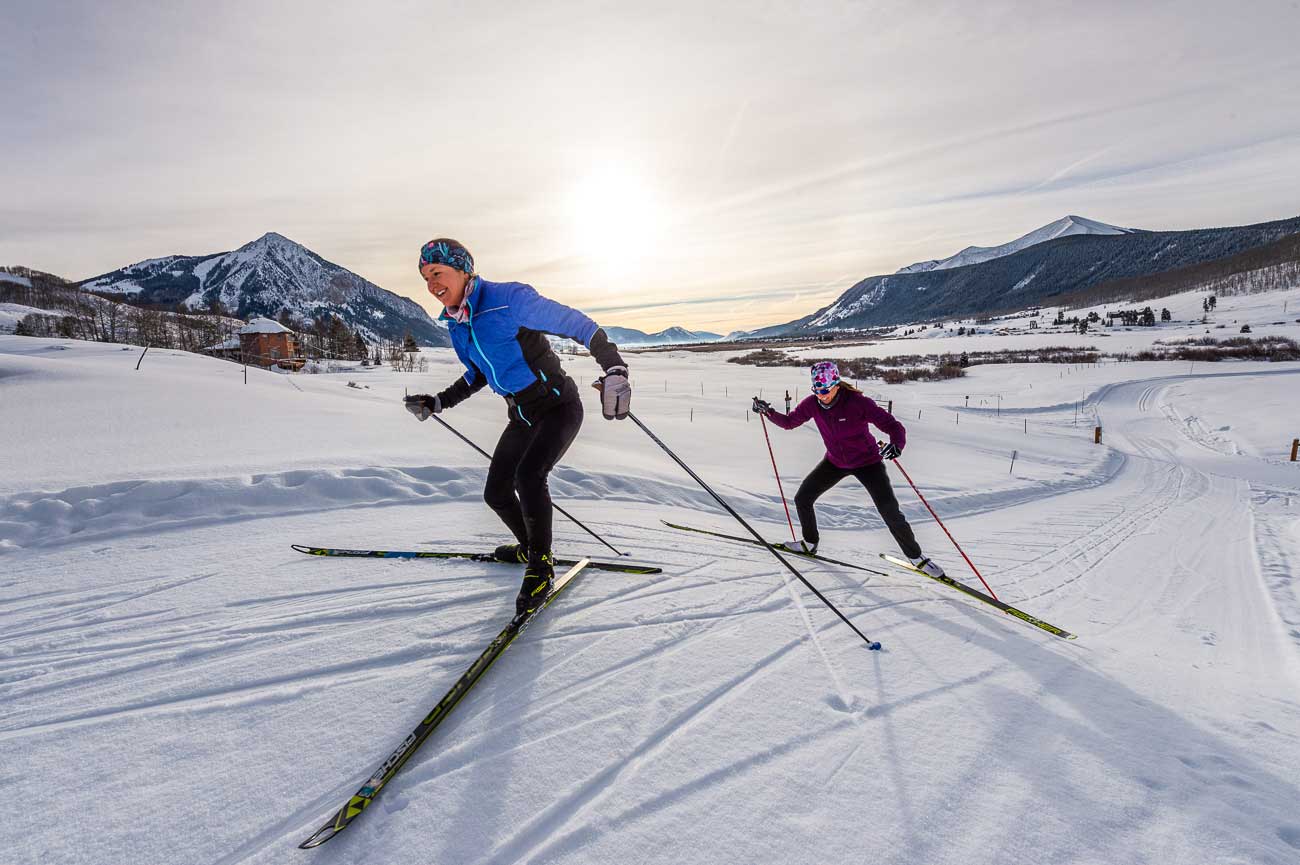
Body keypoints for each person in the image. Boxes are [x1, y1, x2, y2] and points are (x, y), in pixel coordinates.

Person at [403, 238, 631, 616]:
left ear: (463, 270)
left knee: (529, 477)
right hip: (522, 414)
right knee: (496, 492)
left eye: (438, 273)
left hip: (558, 406)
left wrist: (614, 367)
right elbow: (478, 374)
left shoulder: (508, 299)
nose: (432, 284)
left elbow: (578, 324)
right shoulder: (458, 324)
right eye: (426, 277)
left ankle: (540, 568)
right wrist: (439, 401)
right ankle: (530, 545)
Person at [751, 361, 946, 577]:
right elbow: (789, 422)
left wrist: (896, 445)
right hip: (834, 462)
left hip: (868, 462)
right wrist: (768, 412)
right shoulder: (812, 404)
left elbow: (894, 426)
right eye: (816, 390)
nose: (821, 395)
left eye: (824, 390)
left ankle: (916, 558)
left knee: (889, 509)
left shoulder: (858, 403)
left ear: (836, 384)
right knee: (802, 498)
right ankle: (809, 543)